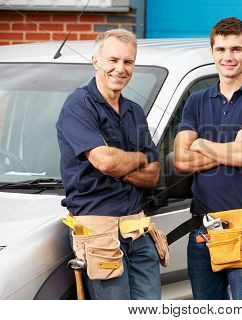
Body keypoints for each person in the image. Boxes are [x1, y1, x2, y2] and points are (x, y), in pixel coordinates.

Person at [173, 17, 242, 300]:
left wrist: (202, 143)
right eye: (221, 50)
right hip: (202, 230)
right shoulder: (196, 101)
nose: (228, 57)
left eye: (235, 49)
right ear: (212, 52)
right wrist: (231, 148)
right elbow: (181, 161)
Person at [56, 29, 161, 300]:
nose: (120, 68)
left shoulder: (134, 111)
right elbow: (105, 162)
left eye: (128, 62)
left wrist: (120, 165)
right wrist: (138, 158)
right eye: (113, 60)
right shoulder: (78, 106)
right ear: (96, 61)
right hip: (98, 233)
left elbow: (153, 175)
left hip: (137, 229)